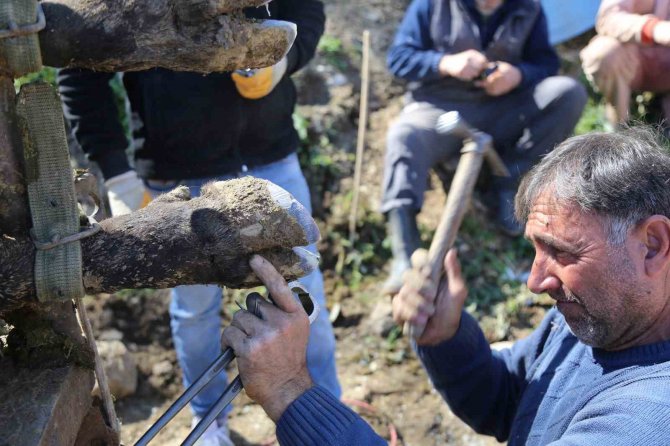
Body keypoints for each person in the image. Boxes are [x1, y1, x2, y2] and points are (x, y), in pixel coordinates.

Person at [223, 128, 670, 445]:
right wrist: (448, 338)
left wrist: (289, 392)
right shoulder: (605, 317)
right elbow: (512, 402)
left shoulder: (649, 419)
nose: (536, 281)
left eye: (563, 252)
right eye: (535, 249)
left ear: (652, 244)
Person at [57, 2, 341, 445]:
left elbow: (305, 10)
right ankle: (209, 421)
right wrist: (117, 171)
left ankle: (325, 416)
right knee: (195, 312)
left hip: (271, 155)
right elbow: (78, 68)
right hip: (181, 173)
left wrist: (286, 59)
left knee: (306, 299)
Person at [380, 0, 586, 294]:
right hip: (440, 108)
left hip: (505, 107)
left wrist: (518, 75)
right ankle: (404, 253)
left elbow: (546, 63)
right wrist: (445, 64)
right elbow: (399, 59)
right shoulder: (432, 5)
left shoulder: (528, 8)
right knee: (404, 136)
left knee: (568, 93)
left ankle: (512, 184)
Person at [580, 0, 670, 127]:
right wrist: (654, 29)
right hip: (633, 62)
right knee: (603, 54)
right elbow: (608, 18)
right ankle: (618, 123)